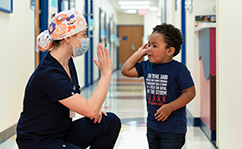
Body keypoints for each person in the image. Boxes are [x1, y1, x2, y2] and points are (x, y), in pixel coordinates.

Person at [16, 10, 121, 149]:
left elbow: (76, 99)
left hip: (61, 132)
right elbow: (90, 110)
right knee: (93, 112)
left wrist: (91, 110)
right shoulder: (49, 74)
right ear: (68, 38)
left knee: (111, 121)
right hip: (39, 141)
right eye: (83, 35)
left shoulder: (67, 62)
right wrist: (106, 74)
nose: (86, 39)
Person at [121, 23, 196, 149]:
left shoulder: (179, 69)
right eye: (149, 45)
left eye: (154, 46)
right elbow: (126, 70)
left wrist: (170, 107)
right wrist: (140, 53)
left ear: (170, 50)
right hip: (152, 126)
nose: (149, 49)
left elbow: (190, 92)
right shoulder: (147, 66)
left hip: (173, 128)